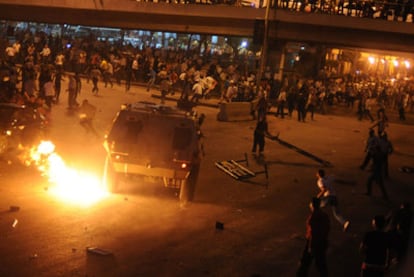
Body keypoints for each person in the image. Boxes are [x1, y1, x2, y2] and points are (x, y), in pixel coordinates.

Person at [297, 197, 330, 277]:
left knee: (305, 262)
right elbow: (327, 228)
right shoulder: (324, 215)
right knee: (321, 264)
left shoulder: (313, 218)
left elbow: (313, 233)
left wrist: (310, 246)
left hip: (314, 242)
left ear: (312, 205)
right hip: (322, 241)